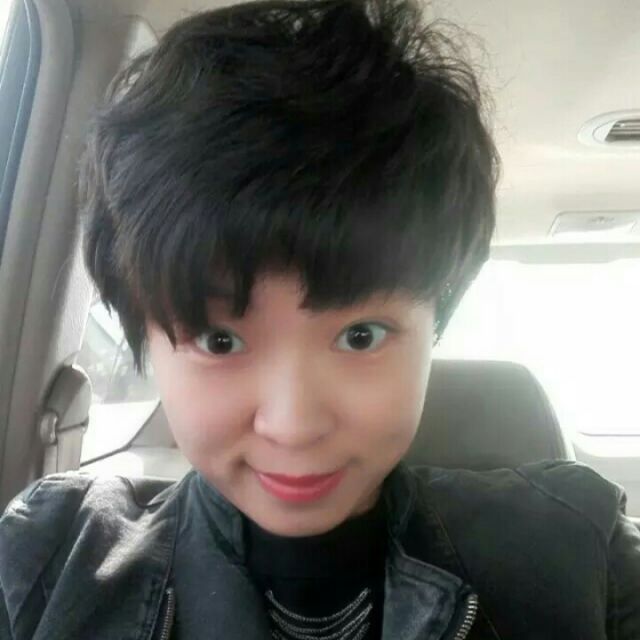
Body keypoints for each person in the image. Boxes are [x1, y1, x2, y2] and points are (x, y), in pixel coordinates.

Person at [1, 0, 639, 637]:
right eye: (219, 340)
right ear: (144, 338)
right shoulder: (43, 564)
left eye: (360, 336)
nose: (294, 426)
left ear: (434, 328)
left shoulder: (582, 555)